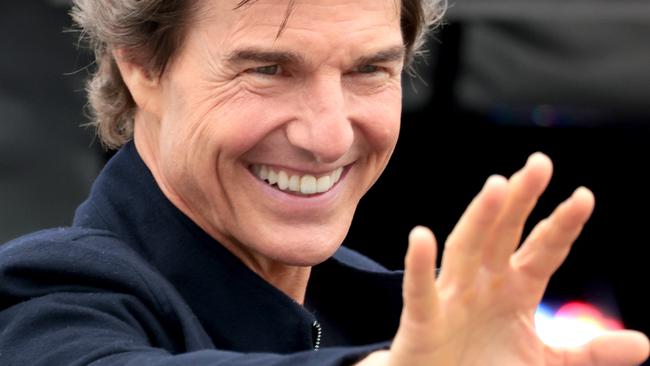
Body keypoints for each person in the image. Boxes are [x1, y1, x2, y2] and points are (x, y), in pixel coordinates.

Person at [0, 0, 648, 365]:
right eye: (269, 69)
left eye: (369, 70)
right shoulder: (39, 300)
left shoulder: (402, 316)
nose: (331, 136)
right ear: (141, 67)